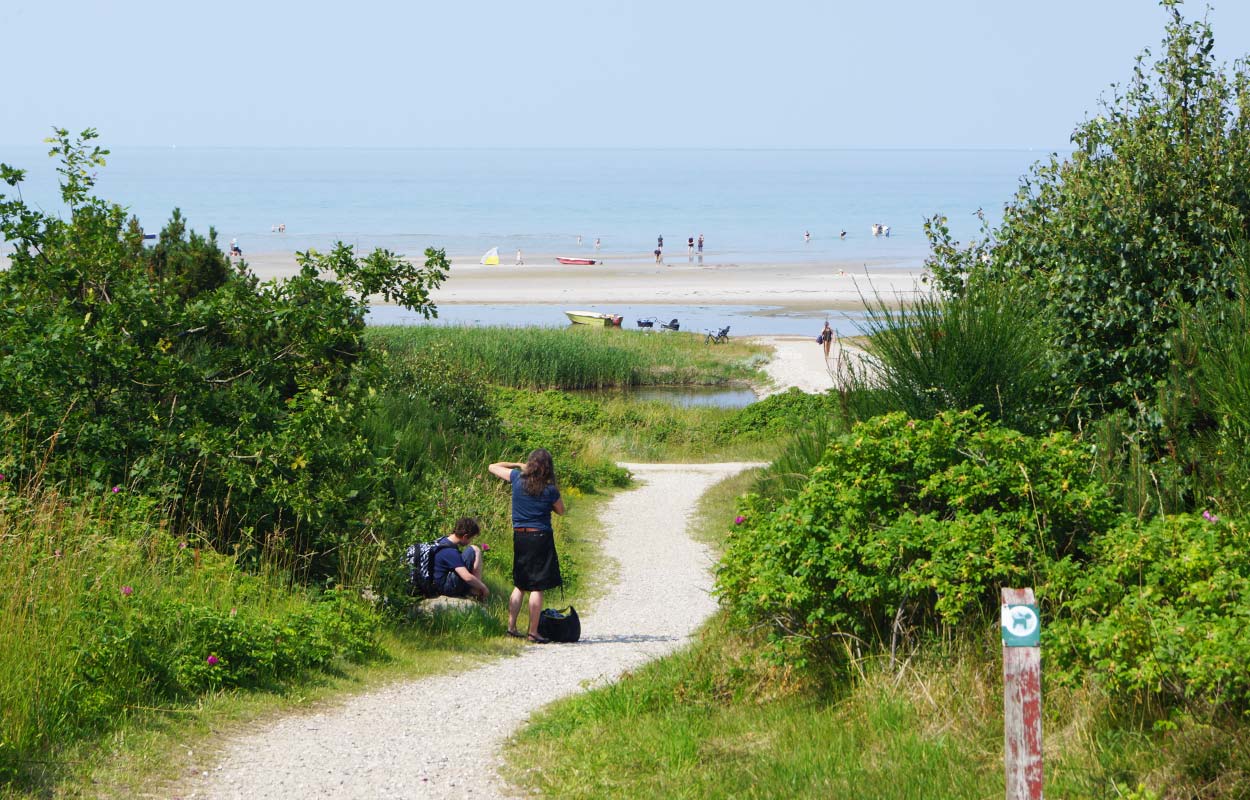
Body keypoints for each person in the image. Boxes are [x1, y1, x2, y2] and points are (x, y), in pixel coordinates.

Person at [488, 449, 566, 643]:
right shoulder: (549, 489)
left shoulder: (516, 479)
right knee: (537, 587)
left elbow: (492, 467)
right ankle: (533, 632)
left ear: (530, 464)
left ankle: (511, 627)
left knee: (520, 585)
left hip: (520, 536)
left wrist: (516, 464)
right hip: (540, 536)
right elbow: (561, 511)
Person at [432, 517, 490, 599]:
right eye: (471, 538)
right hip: (446, 588)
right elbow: (467, 577)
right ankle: (476, 592)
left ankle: (474, 590)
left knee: (473, 550)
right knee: (475, 549)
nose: (470, 541)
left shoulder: (442, 540)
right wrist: (483, 587)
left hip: (436, 584)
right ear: (465, 536)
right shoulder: (450, 551)